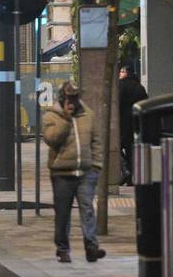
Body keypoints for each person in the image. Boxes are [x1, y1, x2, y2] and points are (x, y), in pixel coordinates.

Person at [41, 81, 106, 264]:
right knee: (63, 213)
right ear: (62, 98)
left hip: (85, 172)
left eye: (75, 98)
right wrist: (66, 120)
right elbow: (51, 139)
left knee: (87, 210)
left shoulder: (88, 115)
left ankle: (91, 247)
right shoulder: (51, 117)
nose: (73, 102)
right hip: (62, 173)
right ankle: (62, 249)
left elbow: (96, 141)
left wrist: (96, 166)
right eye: (69, 98)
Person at [117, 65, 148, 186]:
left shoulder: (121, 85)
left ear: (127, 73)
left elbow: (117, 103)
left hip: (123, 121)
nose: (120, 73)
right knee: (131, 149)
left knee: (116, 146)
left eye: (122, 71)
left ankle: (125, 171)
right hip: (136, 121)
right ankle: (132, 177)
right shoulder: (139, 86)